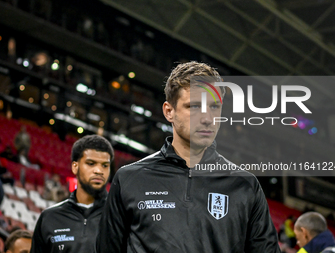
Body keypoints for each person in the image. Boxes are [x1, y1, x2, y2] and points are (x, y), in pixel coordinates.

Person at [96, 61, 280, 252]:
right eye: (194, 106)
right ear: (169, 111)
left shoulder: (244, 185)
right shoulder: (129, 179)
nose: (208, 118)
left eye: (214, 107)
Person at [30, 135, 114, 253]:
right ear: (75, 167)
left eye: (105, 165)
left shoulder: (119, 217)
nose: (99, 171)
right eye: (91, 163)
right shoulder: (49, 218)